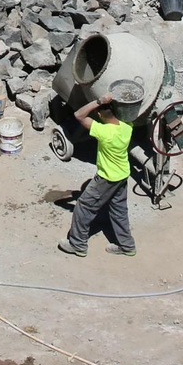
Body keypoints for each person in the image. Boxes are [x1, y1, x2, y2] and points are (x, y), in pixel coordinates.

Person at [58, 93, 137, 257]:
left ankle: (77, 244)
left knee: (83, 207)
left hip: (106, 178)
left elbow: (79, 115)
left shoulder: (104, 132)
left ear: (100, 115)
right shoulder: (127, 127)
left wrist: (99, 101)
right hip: (122, 175)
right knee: (119, 210)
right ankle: (127, 245)